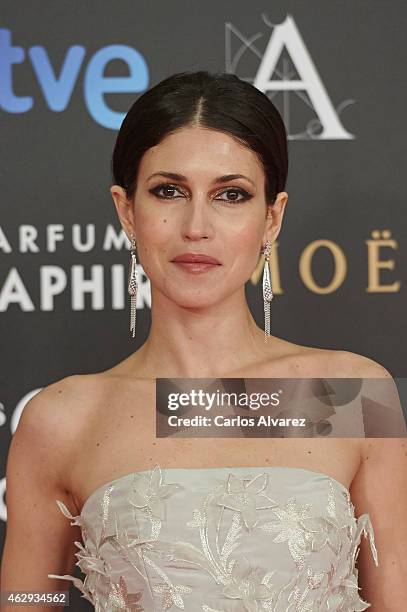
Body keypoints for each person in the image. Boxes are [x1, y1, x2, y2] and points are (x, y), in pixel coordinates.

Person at [1, 70, 406, 611]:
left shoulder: (348, 393)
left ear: (272, 218)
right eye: (169, 191)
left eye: (230, 195)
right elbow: (26, 600)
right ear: (127, 211)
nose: (196, 225)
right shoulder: (63, 419)